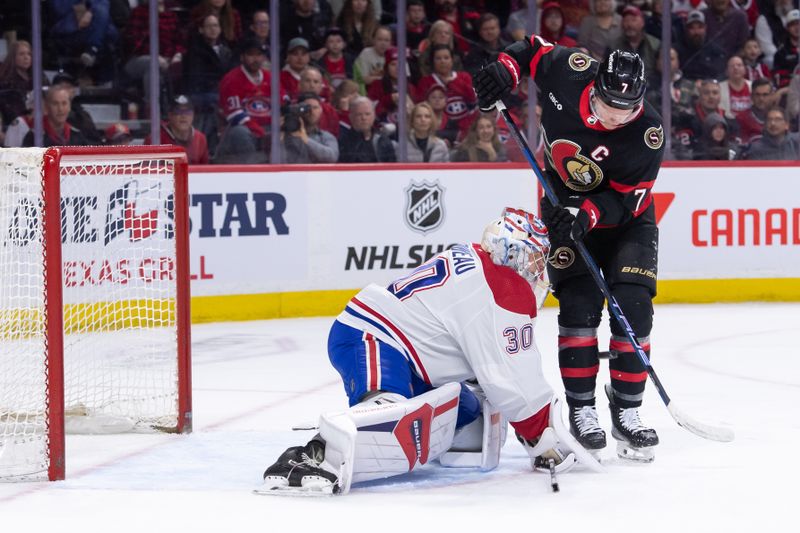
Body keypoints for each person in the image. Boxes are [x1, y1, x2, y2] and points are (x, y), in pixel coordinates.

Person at [261, 209, 601, 495]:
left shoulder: (475, 256)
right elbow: (510, 377)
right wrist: (542, 435)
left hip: (407, 353)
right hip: (373, 336)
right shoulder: (503, 287)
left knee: (464, 408)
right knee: (390, 415)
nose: (538, 270)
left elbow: (474, 350)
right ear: (512, 252)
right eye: (534, 258)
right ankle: (311, 456)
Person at [474, 37, 665, 462]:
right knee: (578, 305)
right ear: (594, 86)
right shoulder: (571, 68)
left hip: (626, 221)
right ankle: (582, 409)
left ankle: (628, 409)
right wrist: (506, 68)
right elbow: (532, 51)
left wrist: (588, 214)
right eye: (610, 106)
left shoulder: (648, 133)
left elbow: (627, 200)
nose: (618, 118)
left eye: (627, 109)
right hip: (562, 207)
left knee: (634, 307)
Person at [216, 37, 284, 164]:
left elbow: (283, 105)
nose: (255, 59)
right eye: (251, 54)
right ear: (242, 57)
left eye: (259, 55)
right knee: (240, 132)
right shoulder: (231, 79)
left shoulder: (270, 77)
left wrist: (281, 123)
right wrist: (262, 133)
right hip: (243, 130)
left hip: (269, 128)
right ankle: (253, 174)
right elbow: (235, 116)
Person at [146, 95, 210, 165]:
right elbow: (147, 170)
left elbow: (205, 169)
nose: (183, 116)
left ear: (193, 115)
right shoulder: (155, 140)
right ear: (170, 115)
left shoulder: (200, 139)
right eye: (178, 112)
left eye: (187, 112)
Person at [281, 92, 339, 164]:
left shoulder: (326, 137)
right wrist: (279, 134)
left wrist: (306, 140)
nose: (311, 111)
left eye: (315, 107)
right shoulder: (286, 135)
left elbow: (332, 157)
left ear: (321, 111)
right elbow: (275, 161)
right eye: (307, 108)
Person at [23, 85, 89, 147]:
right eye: (55, 104)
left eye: (64, 103)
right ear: (47, 107)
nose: (60, 109)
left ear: (69, 107)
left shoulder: (77, 136)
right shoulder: (34, 137)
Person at [338, 96, 396, 162]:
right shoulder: (343, 142)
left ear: (374, 116)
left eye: (367, 114)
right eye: (359, 114)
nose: (364, 118)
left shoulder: (382, 140)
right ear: (351, 117)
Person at [676, 10, 727, 81]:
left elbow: (720, 75)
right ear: (687, 29)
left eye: (700, 27)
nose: (696, 32)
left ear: (705, 28)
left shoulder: (716, 50)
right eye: (692, 28)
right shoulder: (678, 50)